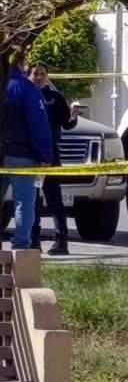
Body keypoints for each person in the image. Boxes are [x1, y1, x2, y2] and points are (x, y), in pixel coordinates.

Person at [2, 55, 53, 250]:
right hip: (22, 155)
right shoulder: (26, 88)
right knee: (24, 202)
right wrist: (45, 155)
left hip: (3, 153)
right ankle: (21, 247)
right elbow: (38, 125)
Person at [28, 64, 78, 255]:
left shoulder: (55, 98)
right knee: (32, 200)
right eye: (35, 74)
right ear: (29, 75)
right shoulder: (27, 96)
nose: (39, 77)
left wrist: (73, 115)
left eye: (42, 74)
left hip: (50, 155)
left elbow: (67, 124)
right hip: (31, 155)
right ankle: (34, 241)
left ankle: (61, 241)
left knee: (54, 198)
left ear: (47, 76)